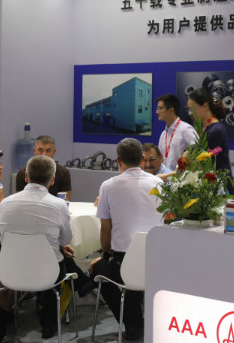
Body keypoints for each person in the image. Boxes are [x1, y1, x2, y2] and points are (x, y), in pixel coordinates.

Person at [0, 155, 94, 339]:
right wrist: (57, 246)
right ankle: (48, 325)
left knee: (52, 257)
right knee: (57, 261)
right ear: (52, 180)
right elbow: (65, 239)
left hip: (10, 269)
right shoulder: (59, 205)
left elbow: (4, 237)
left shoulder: (5, 203)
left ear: (26, 176)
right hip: (48, 272)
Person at [90, 138, 163, 341]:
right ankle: (136, 324)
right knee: (128, 272)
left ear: (118, 160)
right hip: (157, 258)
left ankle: (133, 324)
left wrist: (105, 254)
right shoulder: (158, 183)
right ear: (142, 159)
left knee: (98, 269)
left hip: (124, 261)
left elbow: (105, 228)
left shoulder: (108, 186)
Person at [187, 89, 233, 194]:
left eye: (193, 109)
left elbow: (202, 160)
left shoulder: (216, 130)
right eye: (189, 109)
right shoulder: (207, 128)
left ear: (205, 106)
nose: (191, 113)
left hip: (220, 188)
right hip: (212, 185)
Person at [14, 135, 72, 200]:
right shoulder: (23, 173)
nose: (44, 154)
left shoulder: (63, 173)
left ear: (54, 152)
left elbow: (65, 201)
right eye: (40, 150)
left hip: (55, 206)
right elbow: (20, 200)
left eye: (48, 151)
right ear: (34, 150)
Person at [156, 93, 197, 171]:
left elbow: (197, 151)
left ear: (171, 110)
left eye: (160, 108)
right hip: (165, 176)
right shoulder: (163, 134)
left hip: (181, 177)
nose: (157, 112)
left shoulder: (186, 129)